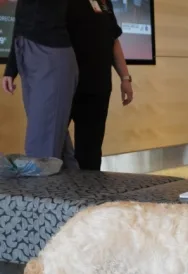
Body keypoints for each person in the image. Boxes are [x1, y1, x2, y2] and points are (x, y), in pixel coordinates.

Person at [1, 0, 78, 167]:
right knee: (51, 137)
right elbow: (21, 21)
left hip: (50, 54)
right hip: (29, 53)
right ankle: (68, 188)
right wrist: (11, 69)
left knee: (42, 143)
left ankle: (43, 191)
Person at [64, 0, 133, 171]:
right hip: (66, 83)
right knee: (55, 141)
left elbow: (113, 40)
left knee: (91, 147)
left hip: (98, 84)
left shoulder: (104, 3)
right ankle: (56, 192)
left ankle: (89, 191)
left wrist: (125, 78)